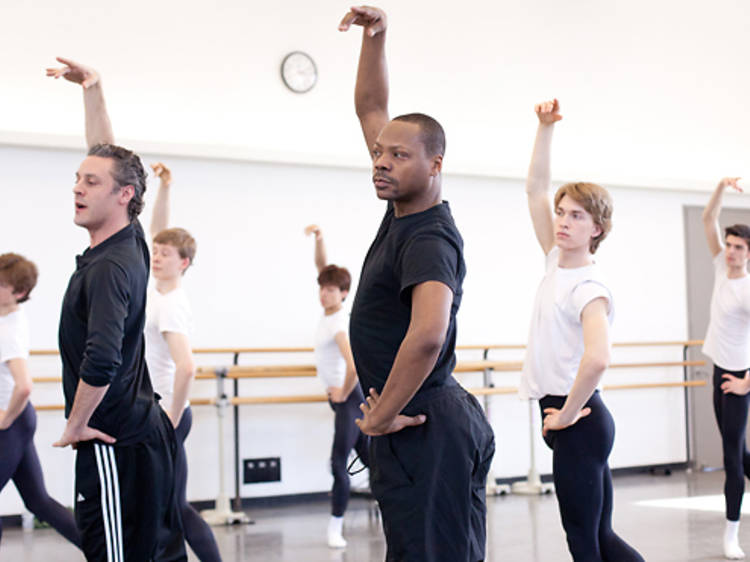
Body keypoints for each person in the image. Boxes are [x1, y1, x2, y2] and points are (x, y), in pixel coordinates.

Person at [338, 7, 495, 561]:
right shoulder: (402, 209)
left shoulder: (429, 237)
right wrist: (376, 37)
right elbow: (371, 107)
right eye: (379, 152)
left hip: (426, 423)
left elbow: (429, 332)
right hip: (420, 422)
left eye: (397, 155)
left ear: (435, 164)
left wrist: (381, 413)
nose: (380, 162)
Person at [47, 56, 186, 561]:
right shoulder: (131, 241)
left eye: (91, 183)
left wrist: (76, 424)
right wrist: (93, 89)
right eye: (77, 179)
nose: (78, 188)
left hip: (112, 440)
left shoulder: (110, 267)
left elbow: (102, 358)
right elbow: (107, 156)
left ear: (124, 196)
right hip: (139, 436)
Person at [521, 98, 643, 562]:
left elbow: (598, 358)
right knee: (600, 538)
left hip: (581, 421)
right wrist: (545, 128)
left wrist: (567, 414)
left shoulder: (590, 287)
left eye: (576, 216)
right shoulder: (555, 262)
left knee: (583, 542)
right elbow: (535, 189)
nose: (563, 221)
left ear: (597, 229)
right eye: (562, 212)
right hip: (571, 418)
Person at [147, 162, 222, 561]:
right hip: (161, 411)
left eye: (164, 254)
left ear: (184, 263)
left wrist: (171, 417)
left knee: (174, 506)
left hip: (167, 414)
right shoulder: (157, 290)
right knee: (168, 504)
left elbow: (187, 366)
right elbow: (156, 230)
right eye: (155, 253)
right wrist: (164, 187)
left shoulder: (172, 305)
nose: (156, 257)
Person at [0, 253, 81, 549]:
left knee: (40, 501)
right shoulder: (5, 314)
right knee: (39, 501)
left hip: (13, 421)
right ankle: (107, 553)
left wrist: (4, 420)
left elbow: (24, 386)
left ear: (19, 293)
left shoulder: (7, 331)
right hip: (19, 420)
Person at [303, 224, 369, 549]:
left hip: (349, 400)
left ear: (344, 294)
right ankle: (405, 506)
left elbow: (354, 364)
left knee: (338, 461)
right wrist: (319, 239)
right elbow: (323, 268)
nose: (324, 293)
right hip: (343, 400)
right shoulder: (328, 314)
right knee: (373, 461)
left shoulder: (339, 323)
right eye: (322, 288)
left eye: (331, 290)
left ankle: (335, 526)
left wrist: (343, 392)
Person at [701, 176, 750, 560]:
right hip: (719, 371)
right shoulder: (720, 267)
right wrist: (720, 186)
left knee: (731, 457)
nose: (730, 251)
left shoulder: (747, 289)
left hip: (738, 376)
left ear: (749, 253)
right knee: (741, 455)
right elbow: (708, 218)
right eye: (729, 245)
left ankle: (731, 534)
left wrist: (747, 383)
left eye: (738, 248)